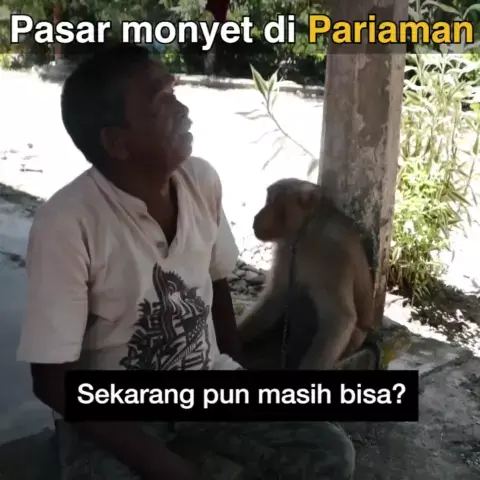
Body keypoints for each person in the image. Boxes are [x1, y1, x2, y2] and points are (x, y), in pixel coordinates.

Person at [16, 44, 355, 480]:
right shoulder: (67, 223)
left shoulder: (200, 180)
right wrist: (170, 468)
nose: (183, 108)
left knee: (327, 451)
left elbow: (217, 285)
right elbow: (52, 382)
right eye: (161, 101)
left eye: (174, 92)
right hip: (115, 417)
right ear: (117, 142)